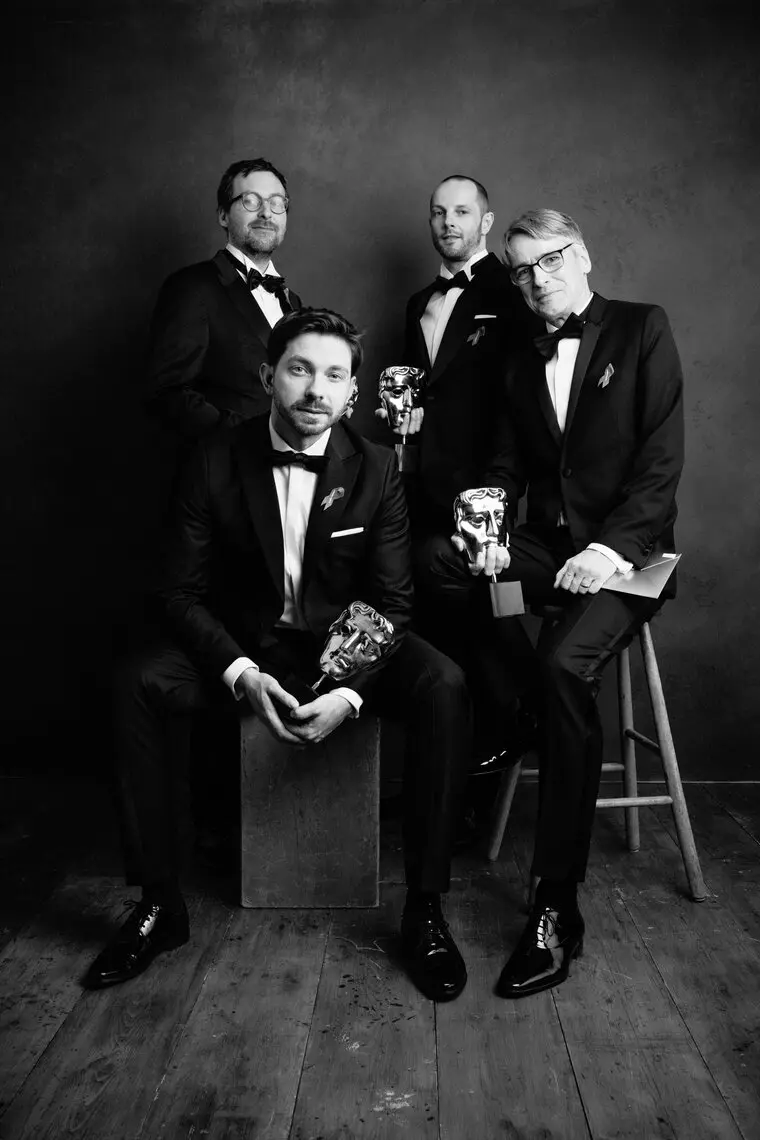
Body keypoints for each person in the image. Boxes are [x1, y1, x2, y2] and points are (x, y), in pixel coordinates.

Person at [86, 308, 471, 1004]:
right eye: (300, 369)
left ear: (352, 392)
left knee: (443, 682)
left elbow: (392, 602)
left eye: (334, 375)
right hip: (246, 646)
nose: (316, 389)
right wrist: (241, 673)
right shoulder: (212, 457)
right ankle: (159, 903)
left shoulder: (377, 466)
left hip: (345, 649)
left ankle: (425, 908)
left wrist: (349, 692)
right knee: (137, 681)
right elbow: (177, 592)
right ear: (268, 376)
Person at [421, 209, 684, 997]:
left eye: (551, 260)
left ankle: (555, 905)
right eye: (523, 269)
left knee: (566, 664)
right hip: (546, 548)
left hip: (633, 557)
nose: (538, 279)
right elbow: (506, 466)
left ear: (584, 254)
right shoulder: (518, 355)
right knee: (440, 564)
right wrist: (491, 531)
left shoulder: (642, 327)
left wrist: (608, 552)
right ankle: (518, 706)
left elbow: (661, 463)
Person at [383, 175, 539, 774]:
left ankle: (527, 706)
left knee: (470, 594)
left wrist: (499, 493)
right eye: (438, 212)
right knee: (430, 621)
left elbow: (520, 407)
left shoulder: (514, 290)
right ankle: (453, 778)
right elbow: (419, 393)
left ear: (486, 221)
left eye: (462, 212)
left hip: (484, 489)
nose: (449, 222)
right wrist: (404, 420)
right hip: (419, 487)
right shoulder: (416, 304)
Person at [145, 157, 302, 441]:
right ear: (223, 215)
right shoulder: (192, 287)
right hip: (225, 463)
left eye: (277, 202)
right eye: (251, 201)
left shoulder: (293, 303)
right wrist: (249, 442)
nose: (267, 212)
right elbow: (168, 393)